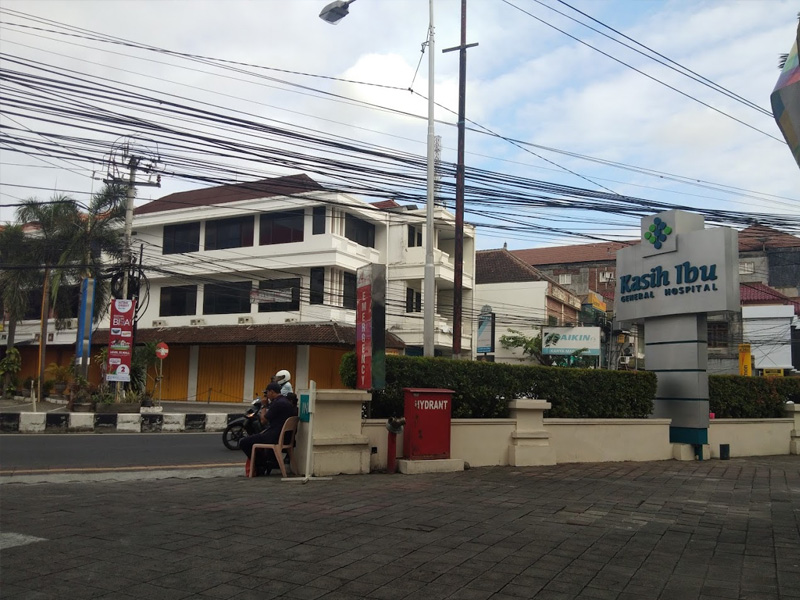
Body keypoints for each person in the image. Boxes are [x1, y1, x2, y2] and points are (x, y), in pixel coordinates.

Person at [240, 382, 297, 476]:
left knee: (244, 442)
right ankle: (263, 464)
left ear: (272, 392)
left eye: (267, 393)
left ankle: (262, 464)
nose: (267, 395)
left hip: (275, 437)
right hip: (286, 437)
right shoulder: (285, 402)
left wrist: (264, 405)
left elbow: (263, 421)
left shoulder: (277, 403)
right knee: (257, 436)